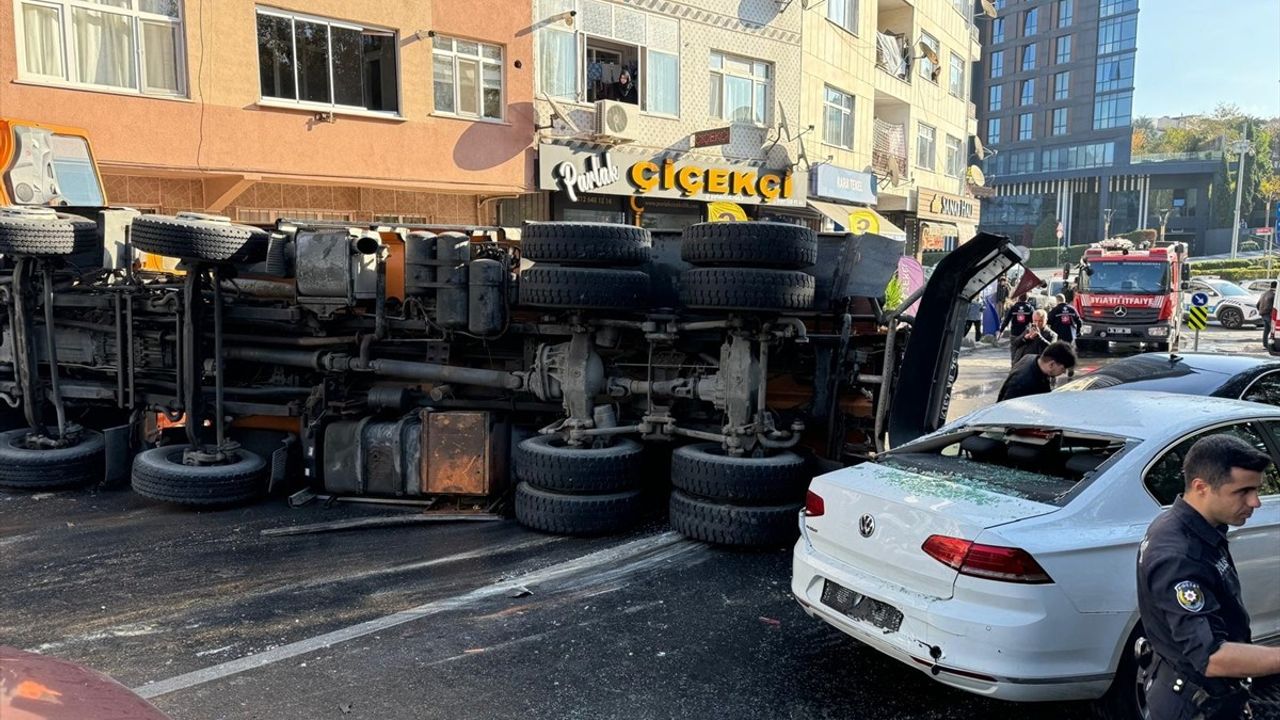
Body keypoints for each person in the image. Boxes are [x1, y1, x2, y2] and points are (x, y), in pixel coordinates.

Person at [1136, 435, 1280, 720]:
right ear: (1201, 487)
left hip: (1207, 693)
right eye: (1244, 491)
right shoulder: (1179, 555)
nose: (1256, 502)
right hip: (1194, 705)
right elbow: (1212, 657)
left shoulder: (1190, 525)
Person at [996, 340, 1076, 401]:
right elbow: (1007, 410)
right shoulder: (1024, 383)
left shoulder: (1031, 358)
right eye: (1063, 368)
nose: (1063, 372)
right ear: (1051, 364)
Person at [1257, 281, 1275, 348]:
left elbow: (1257, 305)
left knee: (1266, 330)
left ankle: (1265, 345)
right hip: (1268, 314)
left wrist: (1261, 311)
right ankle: (1272, 345)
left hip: (1263, 314)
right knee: (1273, 330)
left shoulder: (1264, 293)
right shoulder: (1273, 295)